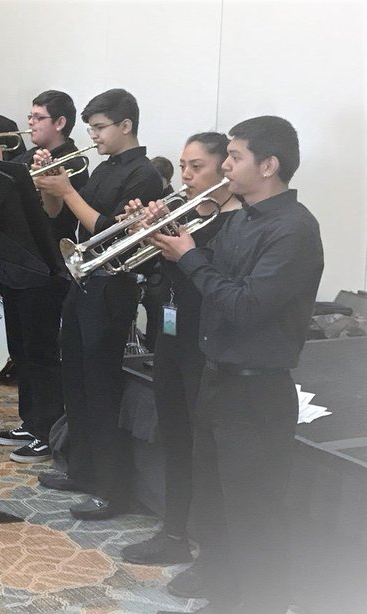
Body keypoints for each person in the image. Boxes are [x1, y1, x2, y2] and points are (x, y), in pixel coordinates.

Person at [150, 116, 322, 614]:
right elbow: (209, 286)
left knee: (254, 516)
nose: (225, 165)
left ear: (268, 166)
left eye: (235, 156)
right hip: (217, 381)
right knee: (215, 508)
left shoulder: (295, 229)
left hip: (257, 392)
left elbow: (245, 306)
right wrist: (169, 242)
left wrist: (190, 257)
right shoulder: (241, 218)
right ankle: (225, 600)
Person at [32, 88, 164, 520]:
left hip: (113, 286)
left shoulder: (144, 174)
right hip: (84, 279)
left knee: (103, 389)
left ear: (126, 125)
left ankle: (112, 488)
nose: (94, 136)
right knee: (76, 381)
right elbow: (62, 217)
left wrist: (68, 190)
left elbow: (112, 234)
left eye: (100, 128)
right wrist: (51, 187)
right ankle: (82, 468)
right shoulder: (105, 168)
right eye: (90, 128)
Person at [118, 132, 238, 567]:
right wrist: (144, 233)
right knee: (174, 438)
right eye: (183, 166)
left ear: (224, 169)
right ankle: (173, 532)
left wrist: (183, 249)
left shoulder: (235, 223)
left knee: (201, 446)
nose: (185, 175)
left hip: (205, 346)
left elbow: (220, 287)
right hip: (170, 339)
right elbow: (156, 272)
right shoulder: (182, 214)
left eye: (197, 166)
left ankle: (208, 544)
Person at [0, 90, 87, 461]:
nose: (30, 123)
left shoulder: (73, 160)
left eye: (38, 117)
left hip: (45, 268)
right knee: (20, 350)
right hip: (16, 264)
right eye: (30, 116)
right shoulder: (27, 156)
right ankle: (31, 421)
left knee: (41, 352)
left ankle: (48, 428)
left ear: (60, 122)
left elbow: (54, 216)